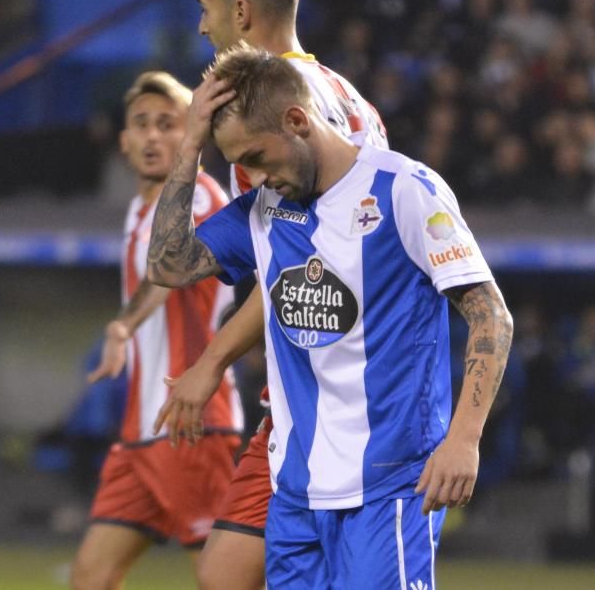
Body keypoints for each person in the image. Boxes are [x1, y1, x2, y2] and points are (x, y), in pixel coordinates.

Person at [147, 45, 514, 588]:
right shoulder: (266, 209)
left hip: (390, 484)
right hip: (296, 492)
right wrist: (190, 142)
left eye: (259, 157)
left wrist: (464, 438)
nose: (255, 176)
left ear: (297, 121)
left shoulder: (405, 190)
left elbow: (491, 317)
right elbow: (169, 264)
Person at [152, 0, 389, 589]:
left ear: (241, 14)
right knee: (226, 572)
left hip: (332, 407)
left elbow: (298, 266)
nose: (200, 27)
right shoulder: (349, 97)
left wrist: (211, 359)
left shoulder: (270, 120)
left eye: (204, 7)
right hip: (338, 390)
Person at [68, 72, 242, 590]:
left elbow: (169, 276)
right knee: (90, 578)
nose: (151, 137)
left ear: (194, 133)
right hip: (139, 430)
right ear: (122, 140)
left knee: (222, 580)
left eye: (167, 124)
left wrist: (121, 326)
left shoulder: (201, 197)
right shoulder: (141, 207)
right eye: (140, 124)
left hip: (190, 421)